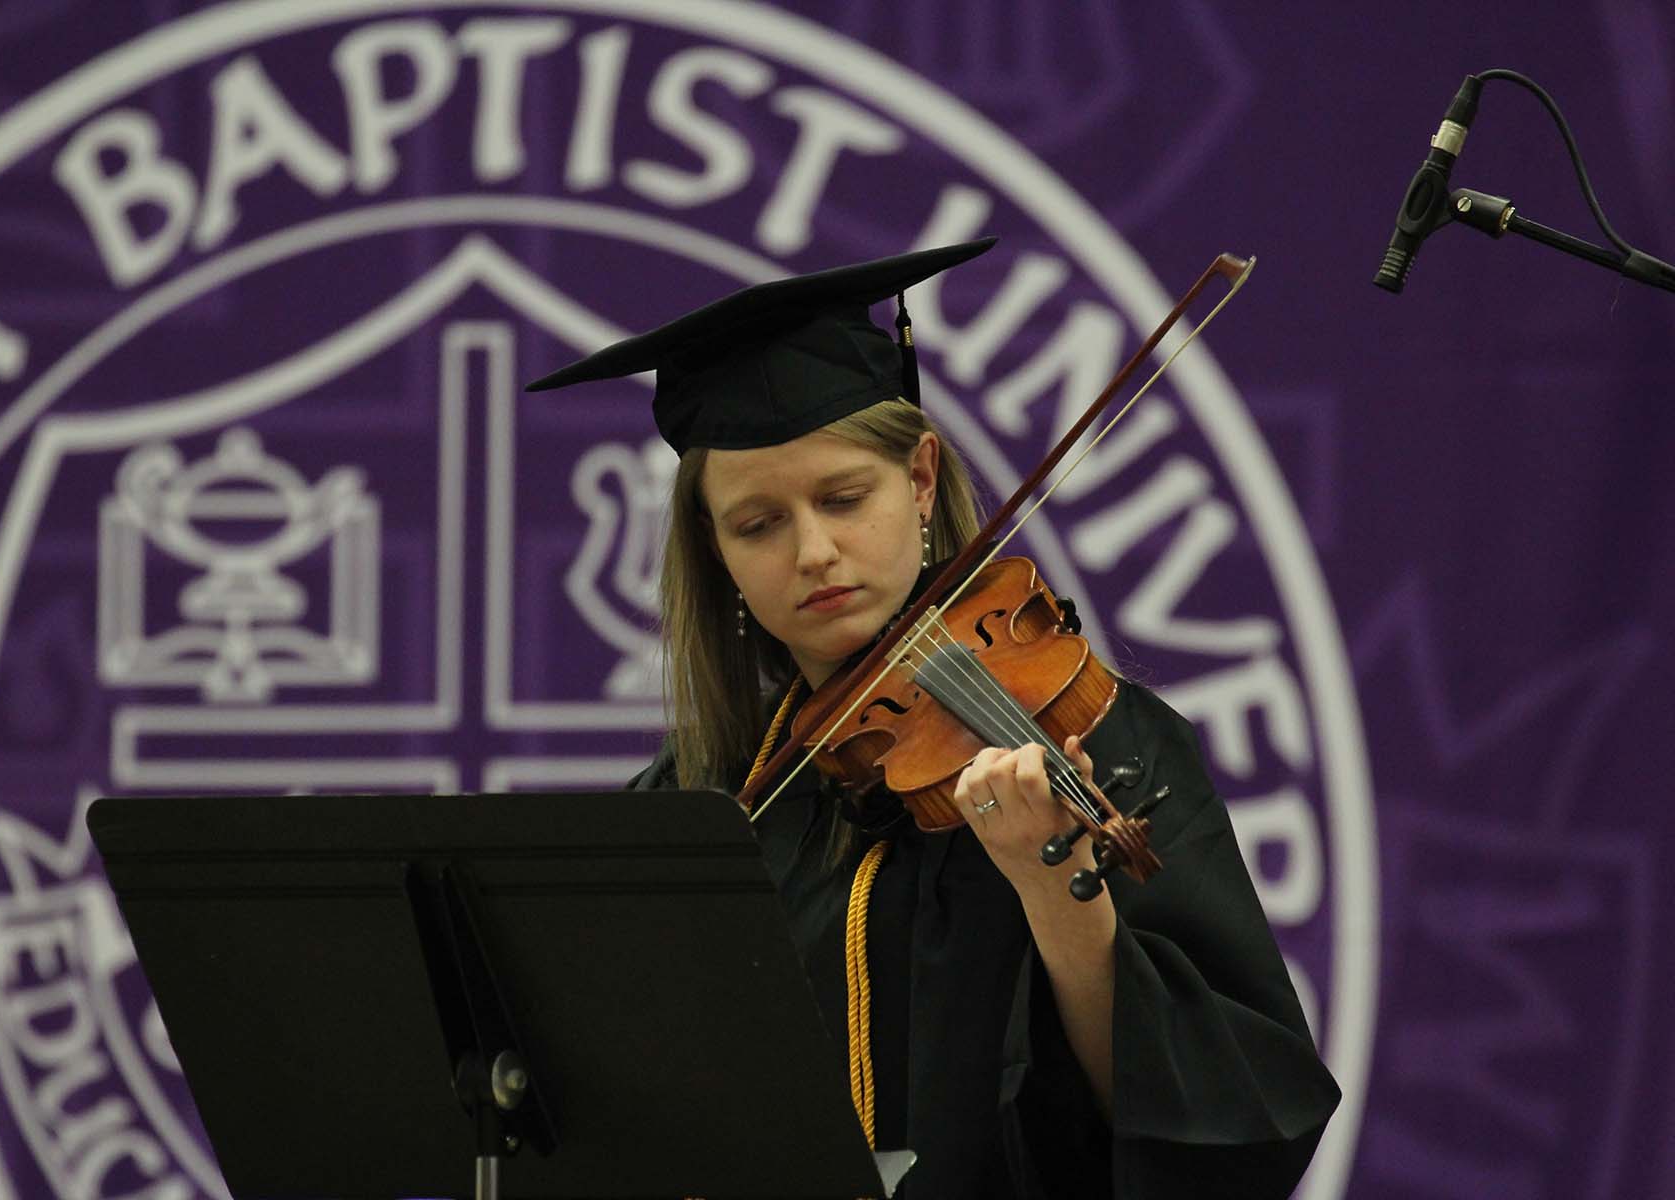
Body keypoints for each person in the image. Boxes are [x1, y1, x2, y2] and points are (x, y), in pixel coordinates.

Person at [527, 239, 1341, 1198]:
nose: (815, 552)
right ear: (716, 554)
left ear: (920, 480)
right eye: (758, 525)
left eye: (844, 498)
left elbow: (1224, 1123)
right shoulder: (705, 801)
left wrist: (1059, 893)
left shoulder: (1104, 739)